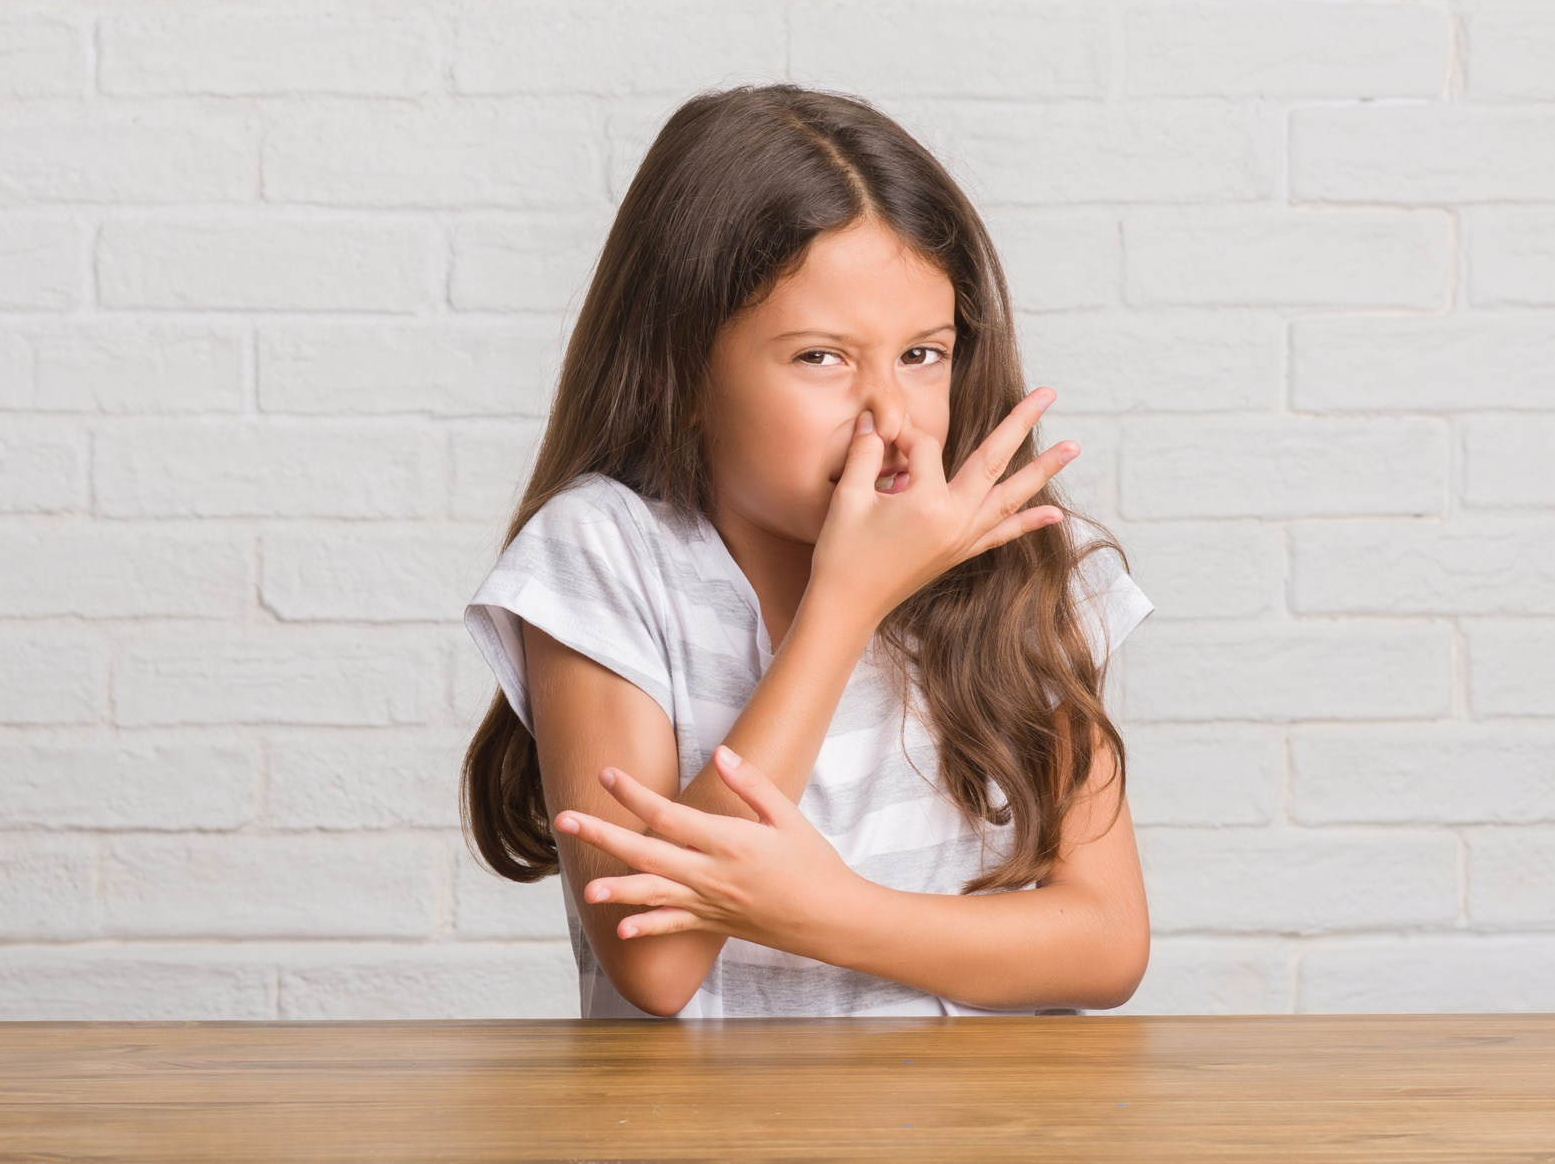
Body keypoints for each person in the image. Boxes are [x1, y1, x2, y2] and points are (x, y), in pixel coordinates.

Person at [457, 84, 1154, 1019]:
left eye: (923, 355)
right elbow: (655, 966)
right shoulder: (605, 558)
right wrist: (846, 606)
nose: (891, 417)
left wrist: (831, 914)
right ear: (684, 374)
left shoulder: (1018, 559)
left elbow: (1106, 945)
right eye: (821, 357)